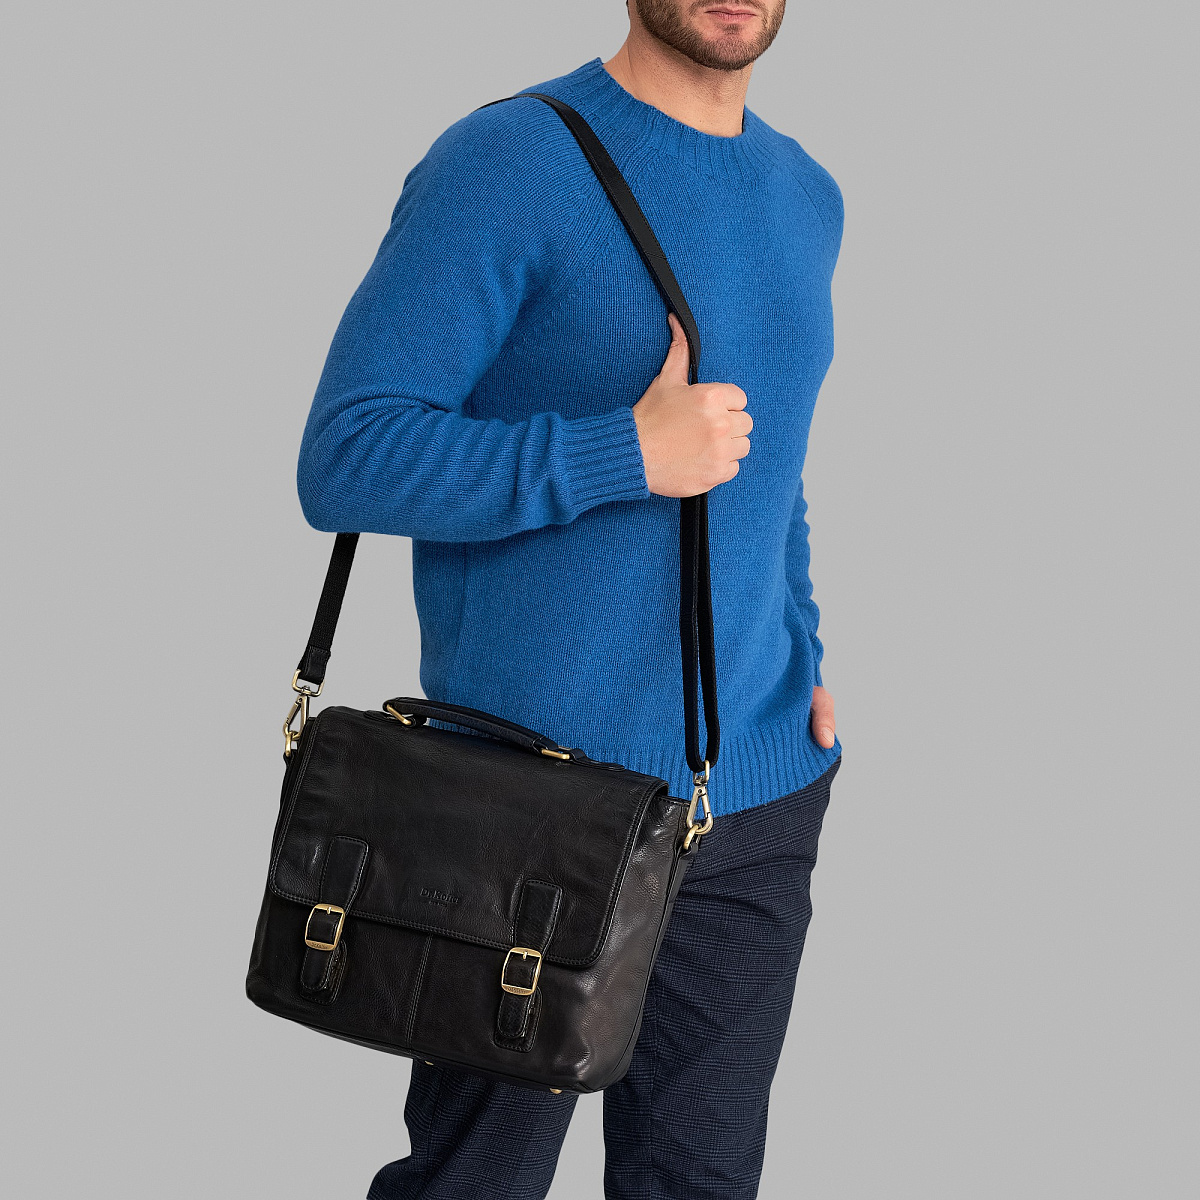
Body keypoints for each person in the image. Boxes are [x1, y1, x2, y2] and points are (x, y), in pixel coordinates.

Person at [297, 2, 845, 1195]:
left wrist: (803, 644)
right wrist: (622, 453)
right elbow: (347, 454)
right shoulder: (507, 160)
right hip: (532, 810)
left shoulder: (809, 195)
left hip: (754, 797)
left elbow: (768, 462)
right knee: (475, 1185)